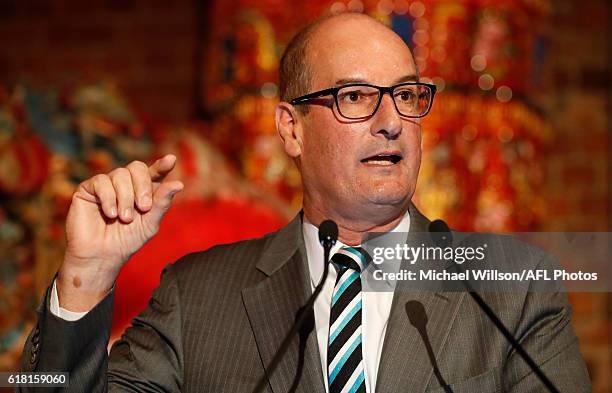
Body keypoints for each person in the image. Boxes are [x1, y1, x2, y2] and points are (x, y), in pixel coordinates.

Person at [21, 12, 590, 392]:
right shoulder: (195, 297)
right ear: (291, 130)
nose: (392, 122)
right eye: (356, 98)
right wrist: (86, 279)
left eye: (407, 97)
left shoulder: (512, 285)